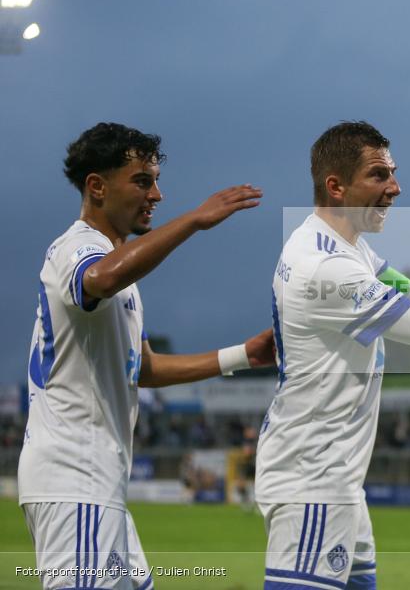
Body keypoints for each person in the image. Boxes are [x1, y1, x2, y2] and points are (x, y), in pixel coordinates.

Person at [18, 122, 276, 590]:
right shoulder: (78, 248)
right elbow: (98, 279)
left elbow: (146, 368)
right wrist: (195, 221)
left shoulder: (118, 268)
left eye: (156, 180)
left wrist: (244, 354)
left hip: (98, 484)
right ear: (97, 186)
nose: (156, 194)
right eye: (142, 181)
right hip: (72, 478)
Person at [256, 121, 410, 590]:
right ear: (336, 185)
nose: (395, 187)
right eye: (378, 175)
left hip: (335, 479)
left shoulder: (349, 252)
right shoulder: (328, 268)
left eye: (392, 173)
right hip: (313, 480)